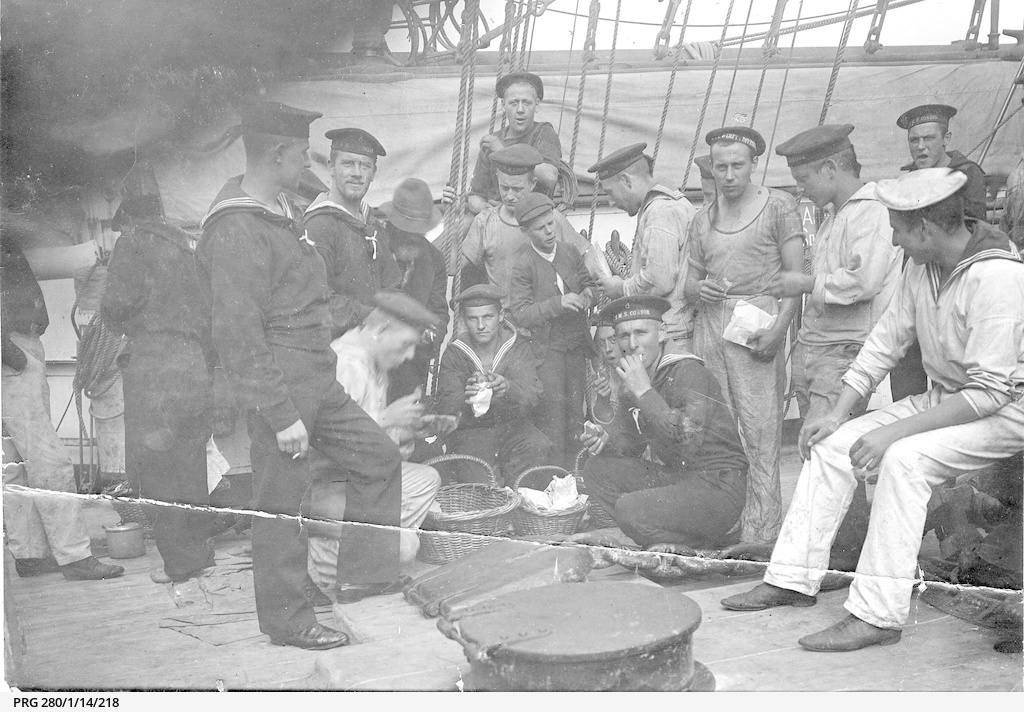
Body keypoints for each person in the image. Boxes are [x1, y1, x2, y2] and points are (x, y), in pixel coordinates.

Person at [721, 167, 1024, 653]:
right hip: (948, 398)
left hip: (1006, 410)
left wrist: (893, 433)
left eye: (900, 231)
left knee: (903, 460)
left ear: (926, 227)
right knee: (832, 444)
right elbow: (885, 342)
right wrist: (838, 412)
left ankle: (877, 615)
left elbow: (989, 393)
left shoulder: (998, 276)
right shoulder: (923, 267)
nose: (897, 243)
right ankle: (792, 580)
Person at [198, 102, 403, 650]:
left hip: (318, 377)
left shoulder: (281, 213)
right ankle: (288, 621)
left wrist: (364, 318)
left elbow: (306, 297)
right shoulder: (238, 226)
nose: (307, 166)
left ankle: (362, 575)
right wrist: (281, 412)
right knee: (279, 504)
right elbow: (237, 335)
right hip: (284, 385)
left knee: (378, 457)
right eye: (301, 155)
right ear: (278, 153)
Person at [769, 124, 904, 569]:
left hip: (846, 352)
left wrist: (804, 282)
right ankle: (843, 551)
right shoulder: (835, 214)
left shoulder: (871, 212)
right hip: (821, 350)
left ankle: (830, 559)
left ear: (830, 167)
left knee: (825, 454)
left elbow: (863, 282)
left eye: (805, 177)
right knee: (827, 454)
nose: (801, 187)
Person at [683, 126, 805, 546]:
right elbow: (688, 283)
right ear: (712, 169)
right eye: (721, 167)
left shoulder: (779, 206)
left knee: (760, 430)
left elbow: (794, 278)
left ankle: (763, 530)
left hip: (758, 321)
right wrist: (699, 290)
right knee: (721, 430)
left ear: (753, 165)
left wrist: (779, 329)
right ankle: (729, 520)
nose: (729, 175)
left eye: (738, 165)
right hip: (711, 327)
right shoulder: (702, 219)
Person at [101, 190, 223, 584]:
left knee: (156, 467)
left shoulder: (131, 244)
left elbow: (114, 308)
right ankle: (200, 555)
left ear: (131, 220)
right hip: (193, 365)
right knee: (191, 462)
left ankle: (178, 563)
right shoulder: (188, 250)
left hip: (155, 365)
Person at [2, 232, 124, 582]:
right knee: (50, 461)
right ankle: (74, 556)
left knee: (14, 463)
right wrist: (14, 358)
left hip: (17, 346)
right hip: (12, 352)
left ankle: (30, 555)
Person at [579, 296, 748, 549]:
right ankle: (683, 540)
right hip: (681, 478)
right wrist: (605, 439)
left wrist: (645, 392)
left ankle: (698, 542)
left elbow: (687, 441)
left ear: (662, 332)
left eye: (641, 332)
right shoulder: (636, 378)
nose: (632, 344)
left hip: (718, 488)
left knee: (629, 509)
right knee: (595, 470)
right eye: (623, 336)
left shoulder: (688, 371)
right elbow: (631, 445)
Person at [307, 292, 446, 597]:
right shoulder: (346, 364)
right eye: (406, 344)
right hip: (323, 486)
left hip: (355, 482)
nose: (410, 355)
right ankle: (322, 567)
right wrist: (386, 418)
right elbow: (326, 442)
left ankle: (370, 559)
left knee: (427, 479)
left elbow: (374, 450)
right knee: (406, 547)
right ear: (380, 330)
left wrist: (407, 430)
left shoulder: (374, 362)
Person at [890, 104, 989, 401]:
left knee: (953, 364)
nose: (920, 147)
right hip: (917, 280)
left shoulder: (966, 174)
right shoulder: (906, 179)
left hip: (954, 283)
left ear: (946, 139)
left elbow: (971, 232)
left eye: (929, 139)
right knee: (905, 356)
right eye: (914, 140)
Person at [433, 284, 552, 485]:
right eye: (473, 318)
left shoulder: (517, 347)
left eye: (487, 317)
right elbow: (445, 406)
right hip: (472, 432)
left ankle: (521, 505)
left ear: (501, 315)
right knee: (478, 487)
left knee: (537, 445)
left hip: (512, 427)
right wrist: (466, 398)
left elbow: (534, 396)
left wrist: (508, 388)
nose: (481, 325)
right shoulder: (455, 353)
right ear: (463, 321)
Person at [509, 192, 596, 468]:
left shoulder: (569, 251)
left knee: (576, 415)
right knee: (553, 418)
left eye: (551, 224)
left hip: (576, 347)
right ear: (525, 231)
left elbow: (586, 284)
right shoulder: (523, 264)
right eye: (540, 228)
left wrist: (589, 294)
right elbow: (521, 314)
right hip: (547, 353)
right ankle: (555, 479)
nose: (548, 232)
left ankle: (576, 476)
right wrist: (558, 303)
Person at [587, 142, 698, 350]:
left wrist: (620, 287)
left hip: (672, 337)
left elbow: (659, 280)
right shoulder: (665, 205)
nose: (611, 202)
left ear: (627, 181)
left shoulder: (660, 212)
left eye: (610, 192)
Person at [460, 144, 590, 308]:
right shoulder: (484, 222)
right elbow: (453, 267)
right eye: (504, 188)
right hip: (504, 323)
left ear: (533, 184)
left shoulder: (551, 218)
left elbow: (588, 255)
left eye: (517, 189)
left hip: (545, 320)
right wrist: (453, 217)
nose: (509, 196)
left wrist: (586, 294)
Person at [304, 127, 401, 336]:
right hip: (334, 353)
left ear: (373, 173)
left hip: (372, 348)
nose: (357, 173)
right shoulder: (319, 226)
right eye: (348, 163)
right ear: (331, 167)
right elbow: (317, 299)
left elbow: (392, 285)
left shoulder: (372, 226)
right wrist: (369, 316)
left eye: (365, 165)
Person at [378, 178, 449, 400]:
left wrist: (430, 335)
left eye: (419, 233)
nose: (413, 239)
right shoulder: (374, 246)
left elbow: (439, 313)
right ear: (392, 226)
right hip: (374, 356)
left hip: (412, 362)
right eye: (407, 232)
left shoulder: (434, 259)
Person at [466, 72, 561, 217]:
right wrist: (486, 209)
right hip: (494, 217)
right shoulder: (492, 141)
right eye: (513, 103)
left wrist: (501, 150)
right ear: (503, 105)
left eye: (527, 103)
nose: (520, 110)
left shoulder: (544, 133)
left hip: (532, 219)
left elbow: (550, 177)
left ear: (537, 104)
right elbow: (475, 195)